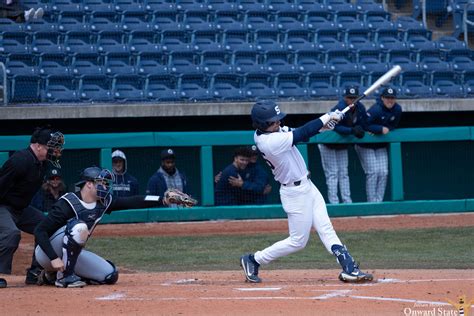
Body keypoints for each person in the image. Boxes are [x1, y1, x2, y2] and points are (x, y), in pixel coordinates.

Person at [239, 100, 373, 284]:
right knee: (298, 241)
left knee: (326, 228)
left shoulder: (273, 132)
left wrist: (326, 126)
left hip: (308, 186)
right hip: (294, 194)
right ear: (262, 124)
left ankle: (349, 267)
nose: (278, 123)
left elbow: (302, 133)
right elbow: (302, 133)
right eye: (273, 121)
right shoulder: (268, 141)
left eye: (278, 120)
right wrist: (327, 116)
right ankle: (254, 259)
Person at [34, 166, 196, 288]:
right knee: (79, 227)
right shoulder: (68, 203)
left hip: (68, 255)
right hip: (47, 254)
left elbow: (133, 201)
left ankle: (51, 277)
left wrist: (162, 199)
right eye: (102, 183)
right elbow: (40, 231)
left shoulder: (104, 202)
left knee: (109, 275)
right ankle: (64, 277)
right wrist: (54, 259)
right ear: (89, 184)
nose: (105, 187)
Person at [0, 126, 64, 288]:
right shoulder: (20, 160)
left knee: (46, 226)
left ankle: (35, 272)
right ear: (37, 145)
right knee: (11, 233)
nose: (54, 151)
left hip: (20, 209)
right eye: (51, 147)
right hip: (3, 206)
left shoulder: (42, 164)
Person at [318, 86, 367, 204]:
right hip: (327, 144)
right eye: (349, 98)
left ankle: (347, 201)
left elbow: (363, 123)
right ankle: (334, 202)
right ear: (345, 98)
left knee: (344, 173)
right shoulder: (339, 108)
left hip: (341, 145)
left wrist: (360, 129)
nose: (352, 100)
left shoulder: (360, 107)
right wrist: (352, 131)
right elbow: (335, 126)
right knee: (333, 174)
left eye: (354, 98)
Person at [355, 87, 402, 202]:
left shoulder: (397, 109)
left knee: (384, 172)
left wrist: (381, 130)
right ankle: (372, 202)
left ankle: (378, 201)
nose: (390, 100)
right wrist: (379, 129)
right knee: (373, 172)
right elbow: (362, 125)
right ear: (382, 98)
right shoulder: (376, 109)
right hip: (365, 145)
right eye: (387, 98)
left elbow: (393, 126)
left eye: (392, 98)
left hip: (380, 145)